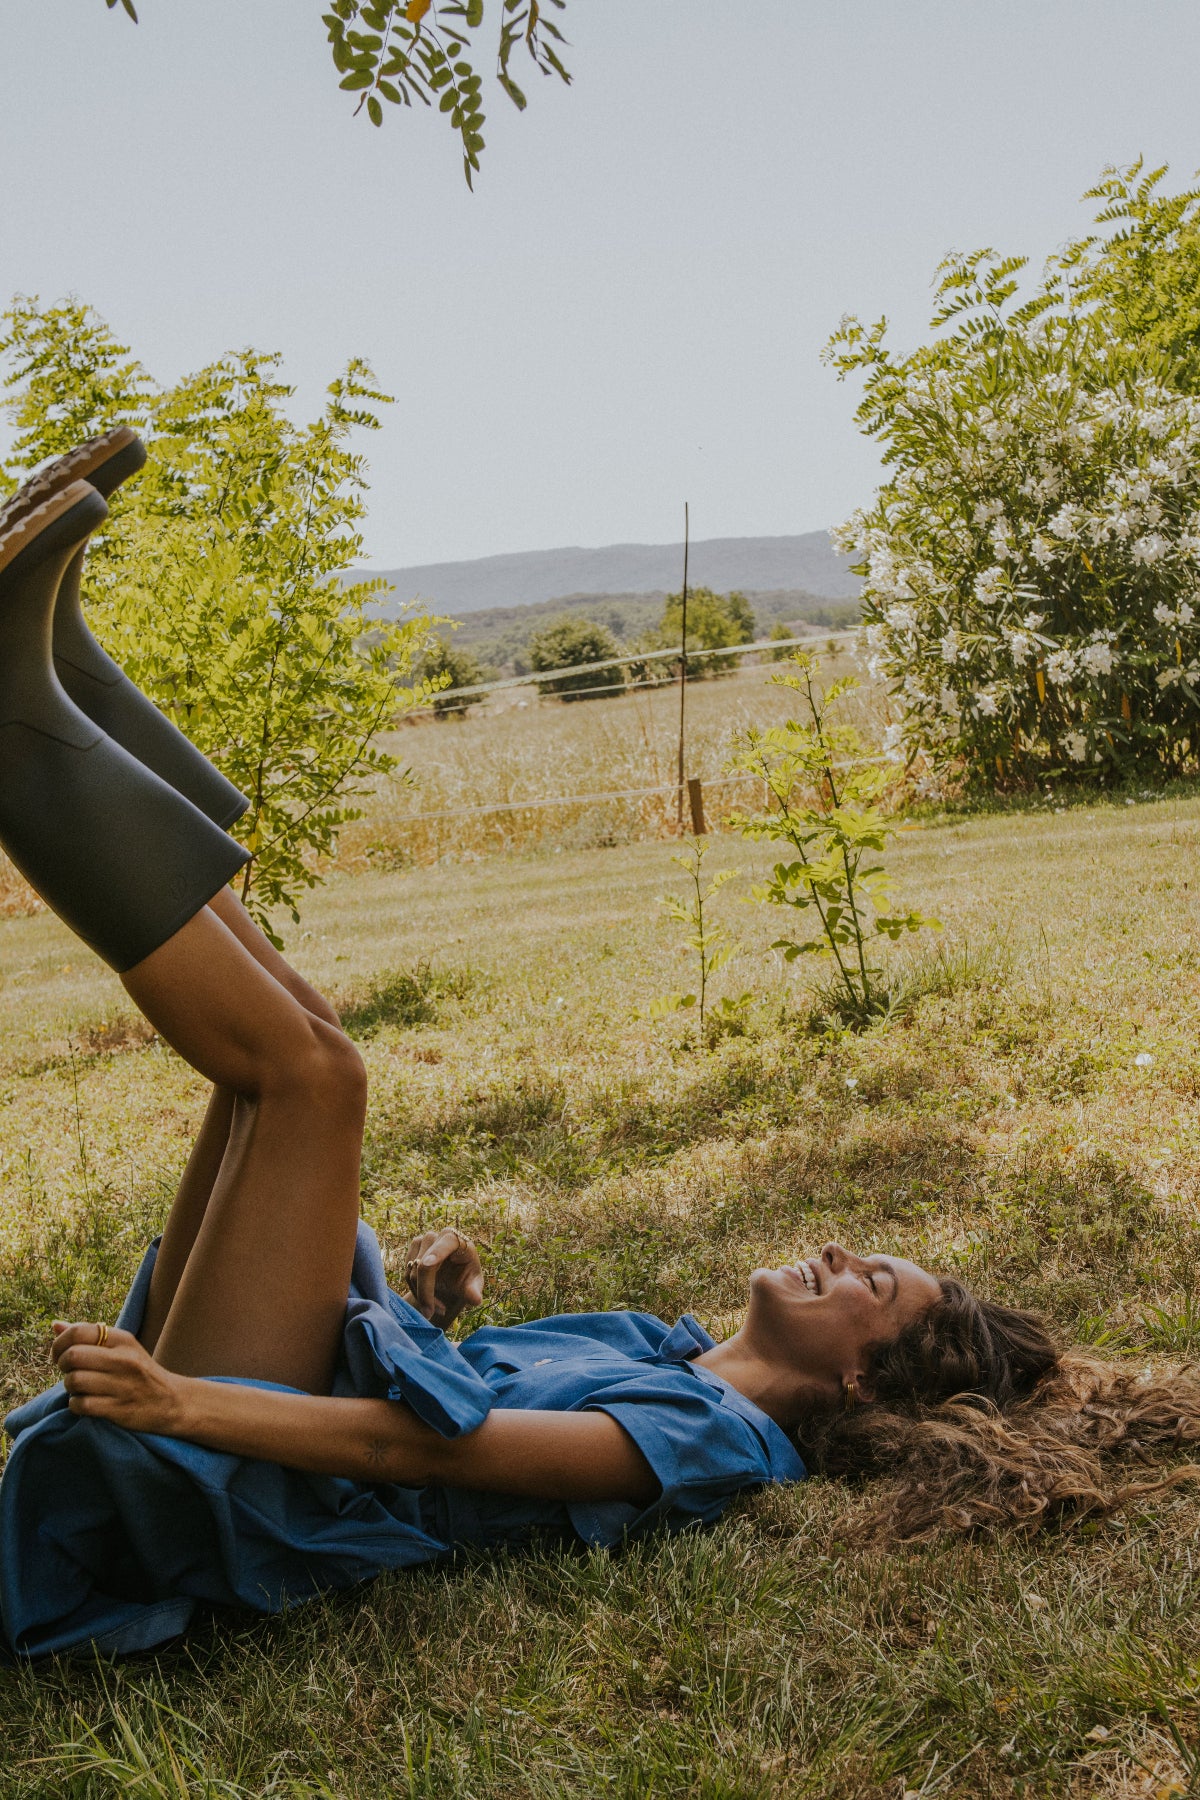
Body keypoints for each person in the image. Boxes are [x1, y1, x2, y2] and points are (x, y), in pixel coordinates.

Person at [1, 440, 1199, 1662]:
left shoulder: (721, 1443)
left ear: (861, 1383)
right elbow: (455, 1400)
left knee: (313, 1079)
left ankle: (20, 728)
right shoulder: (657, 1344)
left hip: (215, 1506)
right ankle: (68, 687)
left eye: (872, 1286)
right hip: (244, 1429)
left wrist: (175, 1401)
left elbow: (422, 1453)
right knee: (306, 1029)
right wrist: (432, 1319)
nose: (843, 1252)